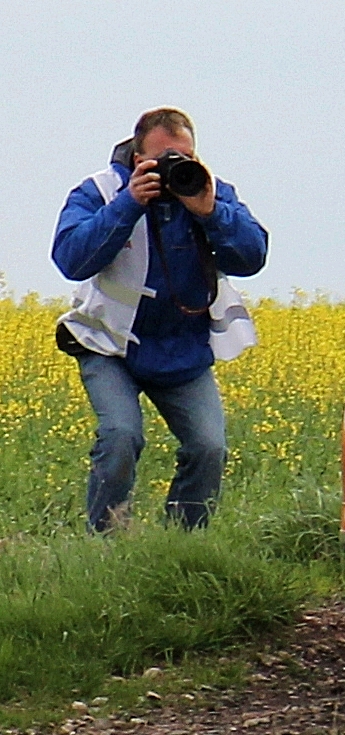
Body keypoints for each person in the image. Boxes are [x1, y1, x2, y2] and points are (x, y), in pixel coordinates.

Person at [52, 107, 268, 532]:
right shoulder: (100, 191)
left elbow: (252, 256)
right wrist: (129, 203)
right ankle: (106, 546)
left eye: (183, 158)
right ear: (138, 159)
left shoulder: (207, 192)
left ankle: (180, 543)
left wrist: (209, 211)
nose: (174, 170)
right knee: (120, 437)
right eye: (162, 160)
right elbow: (71, 259)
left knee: (209, 447)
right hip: (110, 344)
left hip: (181, 349)